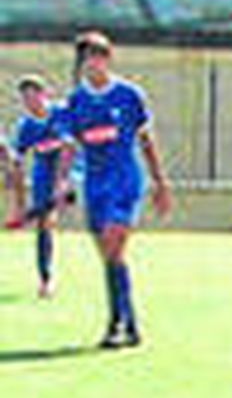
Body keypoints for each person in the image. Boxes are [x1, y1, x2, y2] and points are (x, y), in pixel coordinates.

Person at [58, 31, 172, 348]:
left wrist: (160, 183)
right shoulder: (76, 102)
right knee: (110, 256)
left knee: (113, 243)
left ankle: (115, 323)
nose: (91, 65)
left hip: (124, 181)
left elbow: (146, 140)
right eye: (85, 60)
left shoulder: (129, 95)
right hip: (95, 184)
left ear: (107, 59)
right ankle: (130, 322)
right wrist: (63, 181)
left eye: (97, 57)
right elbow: (69, 145)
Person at [11, 74, 76, 298]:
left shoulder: (61, 113)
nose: (30, 103)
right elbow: (17, 165)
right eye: (25, 99)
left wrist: (63, 182)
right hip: (43, 172)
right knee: (44, 224)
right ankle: (46, 280)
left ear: (44, 94)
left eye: (33, 97)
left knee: (51, 211)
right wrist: (19, 204)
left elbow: (70, 148)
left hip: (71, 168)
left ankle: (44, 208)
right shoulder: (25, 126)